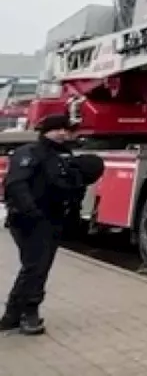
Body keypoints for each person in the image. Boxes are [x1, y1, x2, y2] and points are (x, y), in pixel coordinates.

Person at [1, 113, 92, 335]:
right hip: (29, 219)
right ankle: (24, 313)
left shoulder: (64, 155)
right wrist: (30, 211)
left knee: (36, 266)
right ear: (45, 131)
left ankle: (17, 313)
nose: (62, 133)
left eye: (65, 129)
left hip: (53, 219)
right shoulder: (30, 153)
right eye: (57, 129)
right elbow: (16, 183)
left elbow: (71, 185)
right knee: (36, 266)